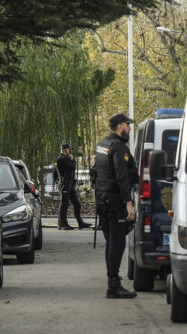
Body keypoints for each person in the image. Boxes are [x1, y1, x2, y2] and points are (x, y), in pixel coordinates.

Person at [94, 113, 137, 299]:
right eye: (128, 125)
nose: (129, 128)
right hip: (114, 200)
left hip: (101, 199)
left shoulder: (102, 144)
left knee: (110, 241)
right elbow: (121, 177)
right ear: (120, 127)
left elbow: (96, 171)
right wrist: (129, 204)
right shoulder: (119, 147)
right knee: (117, 242)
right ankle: (113, 285)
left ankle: (113, 282)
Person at [55, 143, 92, 231]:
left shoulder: (64, 158)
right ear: (65, 150)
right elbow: (72, 167)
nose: (70, 151)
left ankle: (80, 222)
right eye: (69, 149)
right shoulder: (62, 158)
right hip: (65, 183)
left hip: (70, 183)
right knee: (65, 203)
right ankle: (62, 224)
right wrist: (72, 160)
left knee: (76, 203)